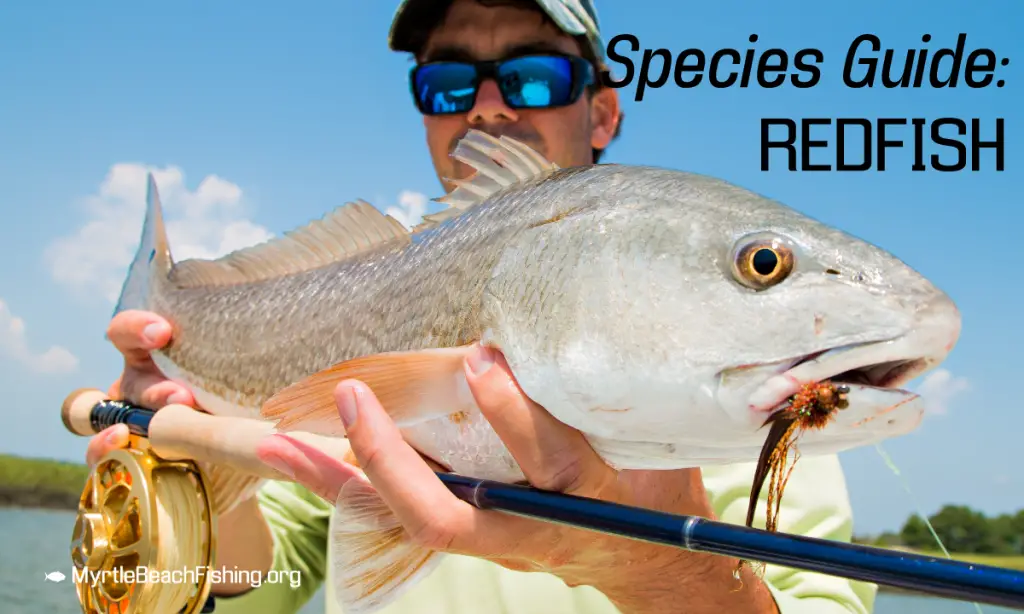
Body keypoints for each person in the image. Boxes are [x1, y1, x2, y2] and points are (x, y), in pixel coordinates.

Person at [84, 1, 878, 613]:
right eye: (450, 84)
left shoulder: (756, 390)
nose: (489, 107)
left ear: (601, 112)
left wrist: (659, 566)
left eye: (535, 77)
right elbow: (267, 580)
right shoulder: (374, 292)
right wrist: (195, 474)